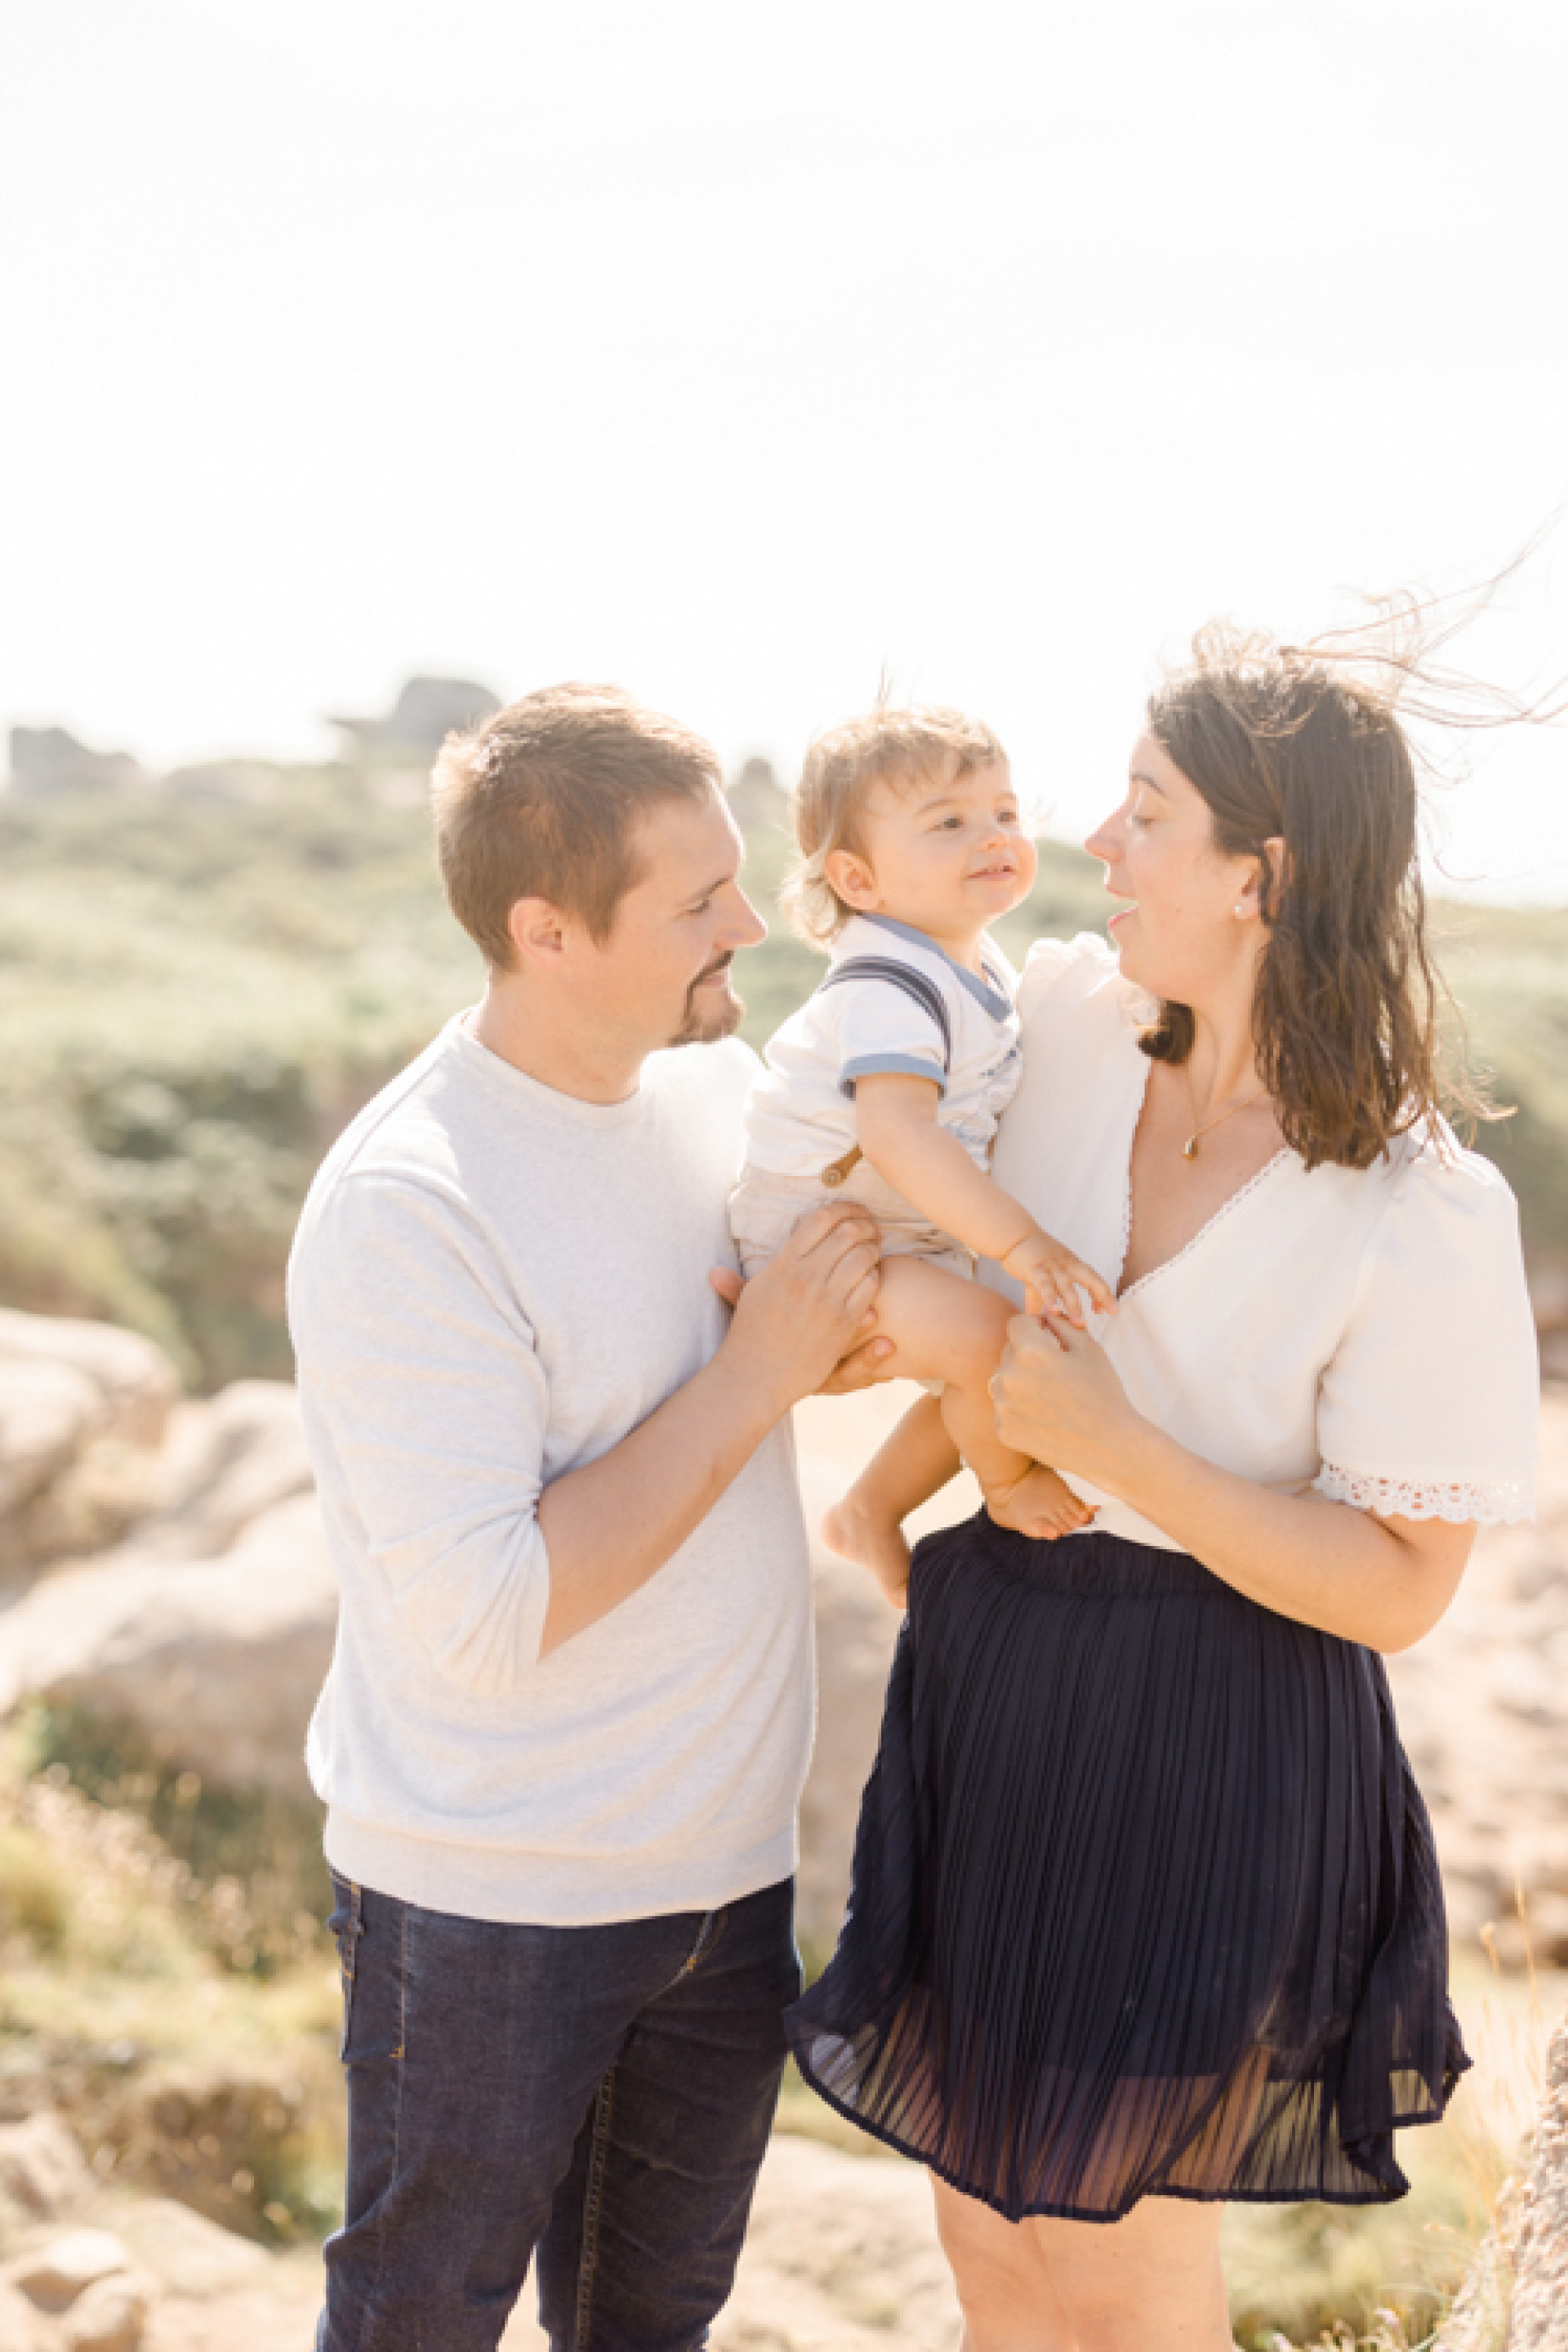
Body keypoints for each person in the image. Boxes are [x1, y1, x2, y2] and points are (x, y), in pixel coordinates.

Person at [786, 627, 1541, 2351]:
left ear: (1259, 876)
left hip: (1215, 1725)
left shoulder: (1418, 1203)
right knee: (989, 2237)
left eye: (1144, 812)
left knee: (1118, 2269)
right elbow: (860, 1156)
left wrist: (1128, 1452)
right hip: (1000, 1680)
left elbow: (1402, 1588)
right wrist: (837, 1327)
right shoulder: (1055, 1024)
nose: (1094, 845)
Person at [288, 683, 885, 2352]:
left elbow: (797, 1336)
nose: (750, 925)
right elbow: (492, 1617)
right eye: (699, 903)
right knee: (417, 2324)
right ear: (546, 932)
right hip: (491, 1909)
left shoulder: (715, 1093)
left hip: (728, 1880)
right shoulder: (411, 1206)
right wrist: (759, 1371)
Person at [728, 704, 1112, 1604]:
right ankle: (1004, 1488)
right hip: (817, 1245)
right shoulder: (888, 985)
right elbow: (897, 1132)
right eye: (949, 823)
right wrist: (1021, 1243)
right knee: (992, 1341)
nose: (994, 836)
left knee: (994, 1353)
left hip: (890, 1227)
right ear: (858, 879)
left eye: (1005, 813)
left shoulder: (969, 963)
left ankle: (868, 1508)